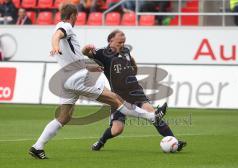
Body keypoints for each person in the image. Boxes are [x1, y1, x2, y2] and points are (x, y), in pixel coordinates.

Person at [28, 3, 166, 160]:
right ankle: (152, 117)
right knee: (116, 99)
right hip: (78, 77)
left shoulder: (58, 28)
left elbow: (72, 57)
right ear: (73, 16)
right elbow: (57, 36)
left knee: (64, 117)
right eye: (76, 17)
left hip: (65, 78)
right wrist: (55, 46)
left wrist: (90, 67)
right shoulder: (65, 26)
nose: (76, 20)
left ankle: (37, 147)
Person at [82, 30, 187, 151]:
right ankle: (101, 141)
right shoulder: (102, 53)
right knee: (117, 130)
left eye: (124, 42)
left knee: (154, 115)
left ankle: (175, 142)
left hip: (136, 92)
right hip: (118, 96)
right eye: (119, 42)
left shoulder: (125, 52)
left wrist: (131, 62)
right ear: (110, 40)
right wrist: (86, 48)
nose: (122, 44)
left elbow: (134, 69)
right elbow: (86, 53)